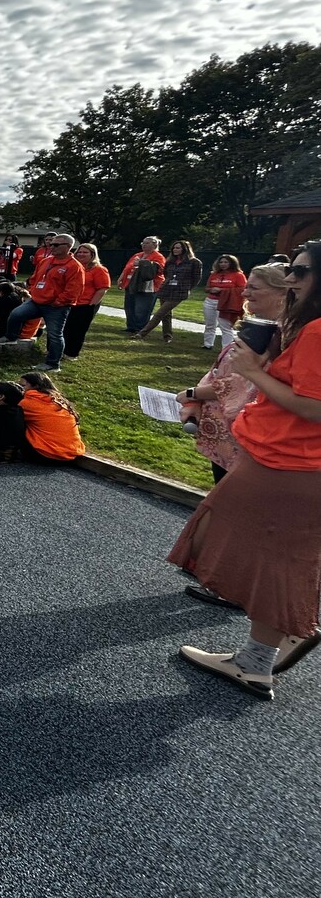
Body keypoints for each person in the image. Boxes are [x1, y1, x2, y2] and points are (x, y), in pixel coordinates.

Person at [168, 242, 321, 700]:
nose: (290, 278)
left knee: (265, 556)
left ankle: (282, 632)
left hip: (289, 462)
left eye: (300, 271)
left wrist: (254, 370)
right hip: (285, 460)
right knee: (271, 554)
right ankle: (275, 637)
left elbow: (314, 407)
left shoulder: (317, 332)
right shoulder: (306, 329)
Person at [177, 264, 289, 487]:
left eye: (254, 288)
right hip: (222, 431)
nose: (245, 293)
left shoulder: (280, 336)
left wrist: (192, 393)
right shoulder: (259, 326)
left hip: (241, 435)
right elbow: (222, 370)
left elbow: (243, 384)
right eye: (246, 286)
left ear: (283, 293)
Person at [1, 233, 84, 372]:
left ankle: (53, 364)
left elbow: (73, 290)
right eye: (51, 244)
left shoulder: (74, 266)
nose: (52, 246)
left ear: (68, 247)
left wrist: (58, 302)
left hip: (56, 307)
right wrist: (33, 290)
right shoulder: (46, 261)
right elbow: (35, 278)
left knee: (55, 334)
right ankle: (11, 337)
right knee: (16, 314)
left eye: (56, 245)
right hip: (36, 301)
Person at [137, 239, 202, 342]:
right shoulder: (170, 261)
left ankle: (142, 333)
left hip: (180, 291)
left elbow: (196, 278)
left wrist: (186, 287)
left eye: (178, 248)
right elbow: (166, 274)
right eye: (174, 248)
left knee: (159, 313)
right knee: (166, 314)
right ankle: (167, 336)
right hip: (166, 289)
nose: (175, 250)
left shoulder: (194, 262)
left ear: (185, 249)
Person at [18, 372, 86, 462]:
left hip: (45, 454)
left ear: (35, 386)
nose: (20, 389)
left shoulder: (28, 402)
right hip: (71, 453)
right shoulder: (61, 401)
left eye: (22, 386)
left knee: (14, 418)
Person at [61, 242, 111, 361]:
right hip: (69, 302)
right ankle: (59, 350)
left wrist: (91, 304)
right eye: (79, 252)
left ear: (92, 254)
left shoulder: (99, 269)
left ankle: (71, 354)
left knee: (78, 330)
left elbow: (102, 289)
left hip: (85, 304)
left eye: (85, 252)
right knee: (65, 328)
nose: (81, 254)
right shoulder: (73, 267)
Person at [118, 236, 166, 333]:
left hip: (147, 286)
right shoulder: (137, 255)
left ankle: (140, 328)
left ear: (155, 245)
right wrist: (121, 278)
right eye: (143, 243)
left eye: (147, 243)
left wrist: (142, 263)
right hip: (131, 284)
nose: (144, 245)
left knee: (142, 308)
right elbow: (127, 268)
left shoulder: (158, 256)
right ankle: (130, 326)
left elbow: (159, 270)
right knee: (129, 306)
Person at [201, 254, 247, 351]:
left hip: (226, 302)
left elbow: (242, 289)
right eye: (221, 262)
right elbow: (206, 288)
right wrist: (211, 290)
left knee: (225, 326)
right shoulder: (214, 274)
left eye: (226, 262)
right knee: (210, 324)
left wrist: (222, 290)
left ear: (232, 263)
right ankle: (207, 344)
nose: (223, 264)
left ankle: (226, 348)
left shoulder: (238, 275)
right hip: (210, 300)